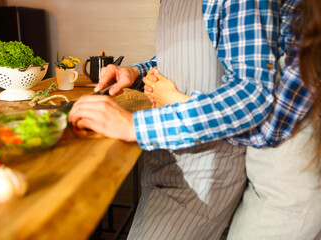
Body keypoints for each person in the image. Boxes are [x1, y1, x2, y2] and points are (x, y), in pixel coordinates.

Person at [69, 0, 280, 239]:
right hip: (164, 157)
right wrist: (136, 72)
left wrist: (134, 126)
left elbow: (252, 95)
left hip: (204, 168)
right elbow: (189, 54)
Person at [143, 0, 321, 239]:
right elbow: (226, 50)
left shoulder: (305, 22)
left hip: (290, 197)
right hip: (264, 180)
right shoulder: (284, 10)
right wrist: (140, 70)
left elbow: (267, 127)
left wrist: (178, 101)